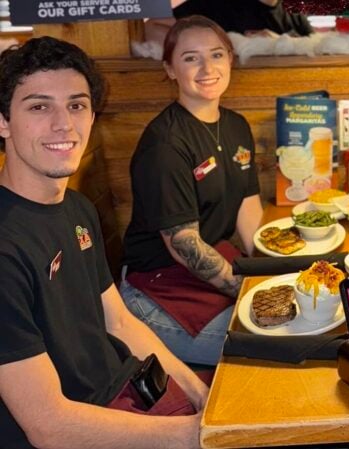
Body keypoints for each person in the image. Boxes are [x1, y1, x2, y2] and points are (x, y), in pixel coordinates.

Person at [0, 36, 207, 449]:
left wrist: (202, 395)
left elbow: (119, 321)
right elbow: (49, 426)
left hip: (127, 388)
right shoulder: (6, 250)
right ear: (3, 122)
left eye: (76, 105)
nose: (64, 124)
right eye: (40, 106)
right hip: (81, 428)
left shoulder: (77, 208)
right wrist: (197, 435)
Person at [121, 16, 264, 366]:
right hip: (158, 287)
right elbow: (183, 245)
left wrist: (267, 268)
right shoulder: (165, 143)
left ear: (230, 58)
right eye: (190, 58)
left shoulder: (236, 125)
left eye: (216, 55)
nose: (207, 68)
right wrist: (250, 290)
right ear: (170, 69)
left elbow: (248, 207)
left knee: (292, 319)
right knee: (265, 346)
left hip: (214, 266)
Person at [145, 0, 312, 45]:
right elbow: (152, 27)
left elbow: (317, 46)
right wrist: (224, 43)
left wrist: (280, 44)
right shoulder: (218, 4)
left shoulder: (295, 8)